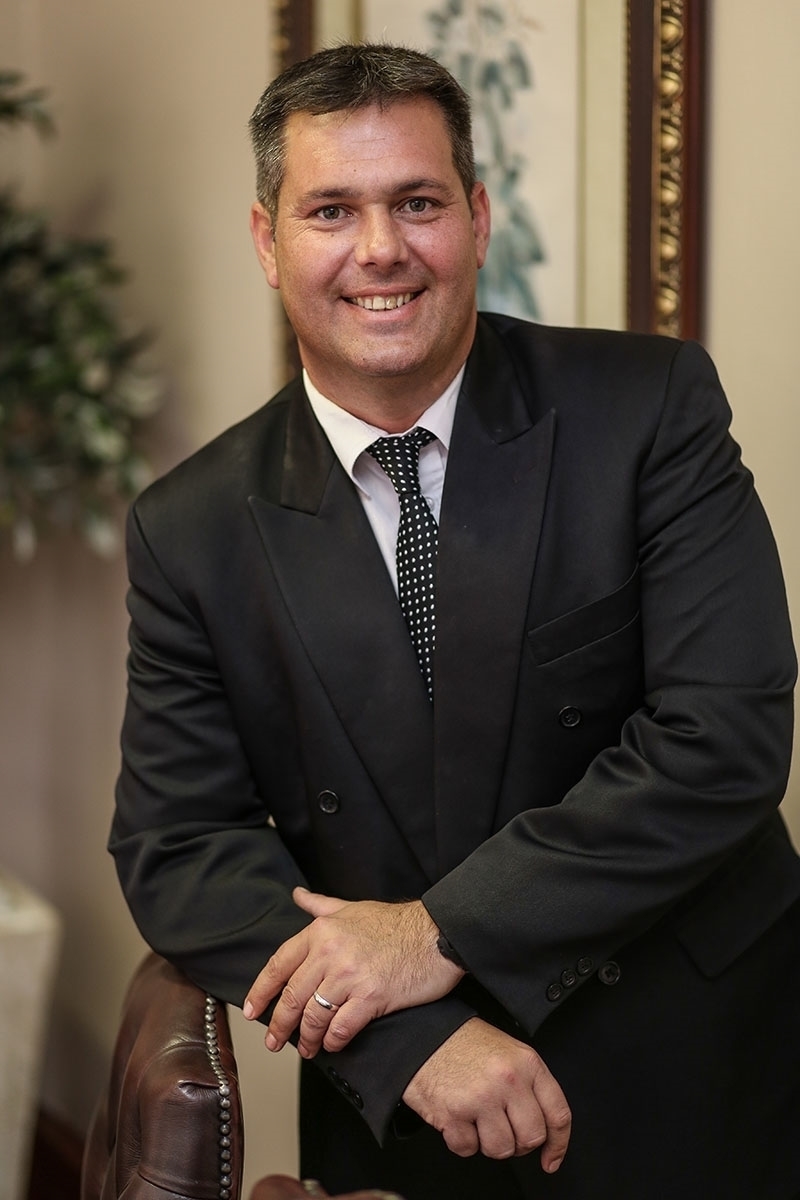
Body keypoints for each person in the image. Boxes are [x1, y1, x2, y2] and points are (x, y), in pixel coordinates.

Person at [110, 43, 800, 1200]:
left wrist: (434, 932)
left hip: (695, 1064)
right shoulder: (190, 528)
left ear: (476, 218)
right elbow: (181, 848)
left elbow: (720, 741)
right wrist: (405, 1041)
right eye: (331, 209)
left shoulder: (649, 410)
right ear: (267, 242)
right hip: (413, 1112)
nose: (380, 248)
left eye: (417, 202)